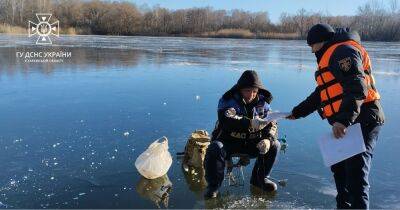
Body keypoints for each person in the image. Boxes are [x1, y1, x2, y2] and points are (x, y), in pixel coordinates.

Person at [287, 23, 385, 209]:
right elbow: (322, 93)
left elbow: (357, 86)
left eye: (312, 46)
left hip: (363, 119)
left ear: (320, 42)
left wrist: (342, 120)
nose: (311, 51)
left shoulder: (342, 52)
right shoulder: (332, 54)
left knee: (356, 175)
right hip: (350, 122)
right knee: (340, 169)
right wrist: (297, 112)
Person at [204, 70, 281, 198]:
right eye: (247, 91)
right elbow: (226, 121)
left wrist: (269, 139)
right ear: (240, 89)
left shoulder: (264, 103)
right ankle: (213, 186)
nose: (251, 95)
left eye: (254, 91)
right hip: (229, 142)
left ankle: (259, 179)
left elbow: (272, 124)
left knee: (275, 145)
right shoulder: (227, 100)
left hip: (253, 143)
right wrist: (251, 123)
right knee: (215, 147)